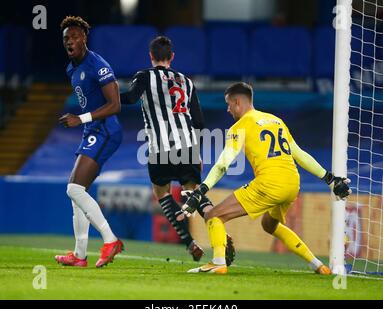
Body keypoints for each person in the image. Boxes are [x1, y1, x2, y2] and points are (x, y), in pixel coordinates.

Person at [181, 82, 351, 274]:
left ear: (237, 102)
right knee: (269, 224)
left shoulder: (240, 126)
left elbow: (222, 164)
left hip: (269, 183)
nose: (228, 109)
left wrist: (201, 190)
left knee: (214, 215)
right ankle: (318, 265)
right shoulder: (275, 120)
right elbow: (299, 154)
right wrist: (329, 178)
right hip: (292, 184)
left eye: (228, 104)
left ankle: (218, 263)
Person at [120, 36, 235, 263]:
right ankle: (221, 237)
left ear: (151, 56)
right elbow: (199, 122)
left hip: (160, 147)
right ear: (172, 57)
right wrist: (199, 152)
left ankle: (189, 242)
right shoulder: (186, 81)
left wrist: (109, 94)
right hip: (188, 146)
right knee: (196, 195)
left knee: (162, 193)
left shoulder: (144, 76)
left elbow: (131, 98)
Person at [55, 16, 124, 268]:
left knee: (73, 189)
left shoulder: (98, 65)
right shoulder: (71, 68)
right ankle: (80, 255)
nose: (70, 41)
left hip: (106, 130)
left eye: (74, 36)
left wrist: (80, 118)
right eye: (66, 38)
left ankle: (110, 239)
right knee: (77, 193)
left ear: (84, 38)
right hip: (92, 131)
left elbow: (115, 105)